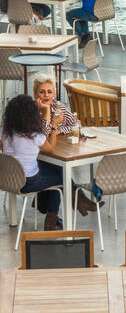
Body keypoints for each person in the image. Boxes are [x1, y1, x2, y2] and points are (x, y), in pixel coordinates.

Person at [32, 73, 98, 214]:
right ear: (35, 94)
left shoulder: (59, 107)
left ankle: (53, 218)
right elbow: (42, 134)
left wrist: (58, 130)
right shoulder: (31, 111)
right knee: (59, 172)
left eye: (49, 92)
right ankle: (79, 201)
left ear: (54, 93)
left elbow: (76, 124)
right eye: (42, 92)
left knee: (58, 170)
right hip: (35, 158)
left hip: (51, 149)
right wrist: (48, 116)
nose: (46, 95)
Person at [1, 93, 65, 229]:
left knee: (50, 168)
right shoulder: (34, 136)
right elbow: (50, 149)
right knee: (61, 177)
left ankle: (42, 205)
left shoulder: (4, 132)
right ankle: (51, 221)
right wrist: (53, 129)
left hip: (8, 179)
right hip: (28, 182)